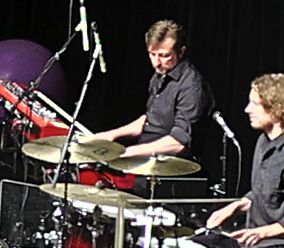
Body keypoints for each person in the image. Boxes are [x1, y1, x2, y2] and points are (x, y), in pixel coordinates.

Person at [194, 71, 284, 248]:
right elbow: (263, 192)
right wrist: (237, 205)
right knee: (193, 246)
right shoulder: (262, 142)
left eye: (254, 104)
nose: (247, 109)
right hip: (253, 239)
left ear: (277, 109)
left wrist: (261, 233)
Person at [81, 20, 203, 156]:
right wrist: (110, 135)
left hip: (170, 166)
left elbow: (178, 143)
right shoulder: (160, 76)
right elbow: (148, 121)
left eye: (164, 55)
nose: (156, 63)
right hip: (148, 155)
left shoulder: (192, 87)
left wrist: (125, 153)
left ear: (181, 52)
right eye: (152, 54)